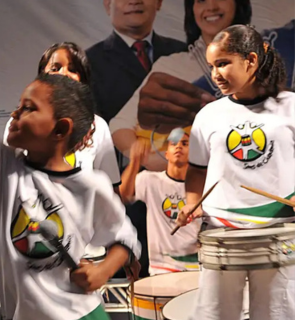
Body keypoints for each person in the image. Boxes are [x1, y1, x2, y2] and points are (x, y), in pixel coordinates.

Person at [0, 13, 141, 320]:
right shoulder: (6, 167)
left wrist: (104, 270)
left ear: (60, 130)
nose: (16, 112)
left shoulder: (91, 186)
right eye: (20, 104)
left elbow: (124, 237)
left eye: (29, 108)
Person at [176, 25, 295, 320]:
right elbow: (196, 171)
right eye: (213, 65)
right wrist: (192, 202)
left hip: (278, 235)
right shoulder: (208, 115)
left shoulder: (291, 108)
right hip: (222, 235)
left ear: (251, 60)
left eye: (223, 63)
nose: (215, 74)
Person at [110, 0, 251, 171]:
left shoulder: (262, 63)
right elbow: (119, 126)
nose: (211, 6)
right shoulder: (171, 65)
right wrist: (150, 160)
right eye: (201, 1)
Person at [86, 0, 187, 123]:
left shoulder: (183, 53)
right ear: (108, 5)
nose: (134, 1)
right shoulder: (88, 63)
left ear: (159, 3)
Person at [38, 42, 121, 189]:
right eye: (55, 68)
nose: (63, 74)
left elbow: (111, 191)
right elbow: (5, 188)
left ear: (82, 80)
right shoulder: (18, 123)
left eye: (72, 69)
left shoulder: (98, 126)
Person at [119, 133, 200, 274]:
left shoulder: (201, 186)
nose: (179, 147)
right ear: (166, 153)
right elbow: (123, 195)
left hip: (197, 266)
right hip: (162, 267)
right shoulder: (150, 180)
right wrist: (134, 162)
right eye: (173, 144)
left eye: (185, 144)